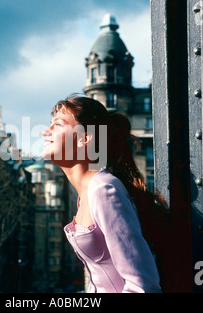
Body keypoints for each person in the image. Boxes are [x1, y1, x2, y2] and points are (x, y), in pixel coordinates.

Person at [41, 95, 168, 293]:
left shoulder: (104, 189)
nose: (45, 132)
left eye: (57, 125)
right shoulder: (87, 195)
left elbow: (142, 285)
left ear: (85, 138)